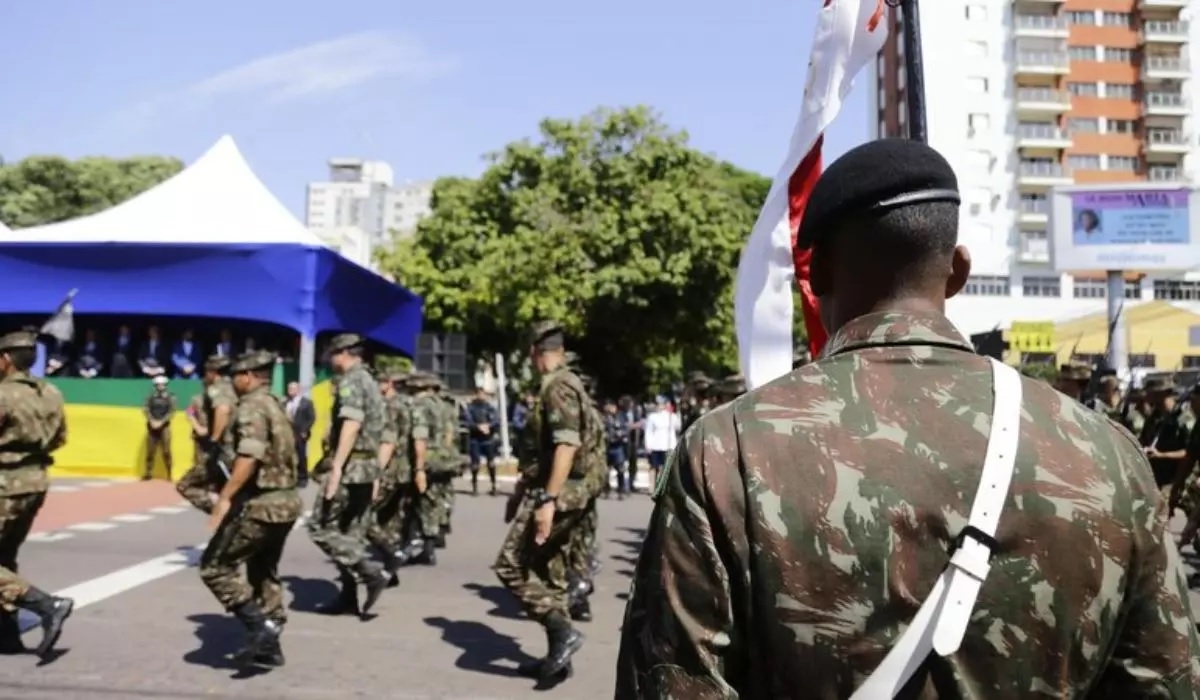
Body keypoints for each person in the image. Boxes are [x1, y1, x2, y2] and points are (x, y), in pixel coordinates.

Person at [615, 138, 1200, 697]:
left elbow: (671, 681)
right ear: (959, 269)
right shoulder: (1107, 454)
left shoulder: (727, 450)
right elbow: (1165, 679)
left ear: (815, 278)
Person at [493, 321, 600, 685]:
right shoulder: (569, 383)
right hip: (571, 492)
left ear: (536, 353)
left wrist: (548, 500)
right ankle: (558, 654)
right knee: (551, 572)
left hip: (563, 493)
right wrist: (521, 492)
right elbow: (543, 454)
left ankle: (562, 633)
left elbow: (566, 446)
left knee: (510, 565)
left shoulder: (558, 387)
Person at [197, 350, 303, 667]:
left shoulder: (252, 407)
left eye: (236, 378)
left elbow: (250, 454)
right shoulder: (276, 404)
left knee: (214, 567)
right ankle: (269, 645)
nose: (233, 384)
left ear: (248, 376)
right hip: (286, 502)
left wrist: (226, 496)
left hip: (262, 503)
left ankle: (261, 627)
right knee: (263, 571)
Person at [0, 330, 74, 658]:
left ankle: (46, 604)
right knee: (4, 560)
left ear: (4, 360)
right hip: (36, 482)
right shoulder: (51, 392)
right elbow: (60, 438)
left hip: (4, 482)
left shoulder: (3, 394)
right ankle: (7, 637)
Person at [306, 334, 390, 617]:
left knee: (319, 526)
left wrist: (337, 468)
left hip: (352, 467)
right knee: (349, 533)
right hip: (366, 468)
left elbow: (352, 424)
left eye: (332, 354)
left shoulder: (353, 380)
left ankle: (370, 571)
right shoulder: (371, 381)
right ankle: (348, 596)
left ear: (344, 353)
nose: (330, 360)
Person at [142, 375, 176, 480]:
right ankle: (148, 472)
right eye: (158, 385)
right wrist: (151, 420)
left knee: (166, 451)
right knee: (150, 451)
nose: (160, 386)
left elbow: (172, 411)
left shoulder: (171, 397)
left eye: (162, 384)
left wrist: (161, 422)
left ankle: (169, 473)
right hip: (151, 426)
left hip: (164, 427)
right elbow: (146, 409)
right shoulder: (150, 396)